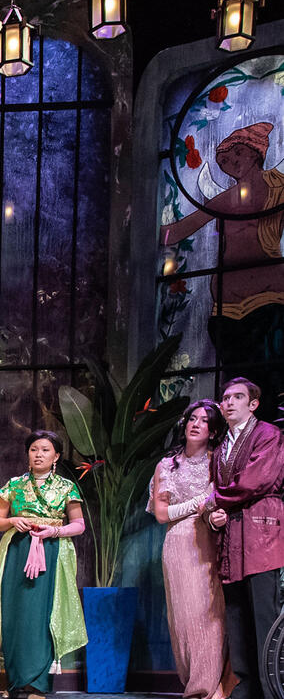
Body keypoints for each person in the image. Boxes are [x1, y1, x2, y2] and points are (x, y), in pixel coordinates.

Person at [161, 123, 284, 422]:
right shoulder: (228, 198)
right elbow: (175, 232)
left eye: (238, 153)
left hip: (268, 301)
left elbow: (177, 231)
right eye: (225, 160)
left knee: (271, 384)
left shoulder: (278, 187)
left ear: (257, 153)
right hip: (226, 311)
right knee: (237, 390)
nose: (232, 162)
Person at [0, 430, 87, 699]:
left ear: (56, 456)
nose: (38, 454)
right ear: (27, 455)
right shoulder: (14, 485)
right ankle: (15, 682)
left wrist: (54, 532)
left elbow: (78, 525)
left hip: (51, 553)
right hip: (17, 551)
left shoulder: (66, 487)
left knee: (44, 615)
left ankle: (38, 685)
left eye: (45, 450)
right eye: (33, 449)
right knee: (15, 614)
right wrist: (12, 522)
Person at [201, 377, 284, 699]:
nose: (230, 402)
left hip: (262, 536)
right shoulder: (221, 447)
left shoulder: (268, 435)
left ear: (253, 404)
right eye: (225, 398)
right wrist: (214, 515)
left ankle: (271, 688)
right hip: (232, 539)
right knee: (236, 615)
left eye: (238, 397)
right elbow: (214, 492)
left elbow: (255, 481)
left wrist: (216, 503)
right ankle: (246, 686)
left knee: (264, 615)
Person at [148, 400, 228, 699]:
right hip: (179, 544)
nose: (196, 424)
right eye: (192, 418)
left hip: (211, 539)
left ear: (214, 429)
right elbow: (161, 514)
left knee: (210, 614)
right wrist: (199, 502)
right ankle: (195, 684)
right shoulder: (167, 465)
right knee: (184, 616)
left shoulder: (217, 460)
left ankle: (211, 686)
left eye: (204, 420)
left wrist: (208, 508)